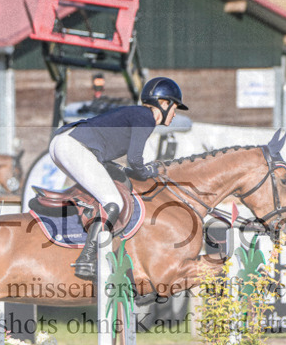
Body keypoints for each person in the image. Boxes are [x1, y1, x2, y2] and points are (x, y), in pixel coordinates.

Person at [48, 76, 188, 280]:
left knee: (105, 190)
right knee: (113, 201)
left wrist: (137, 170)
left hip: (64, 144)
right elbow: (135, 159)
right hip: (73, 146)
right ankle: (86, 259)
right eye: (174, 108)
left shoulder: (138, 115)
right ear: (163, 103)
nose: (174, 115)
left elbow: (130, 163)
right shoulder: (145, 117)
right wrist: (149, 172)